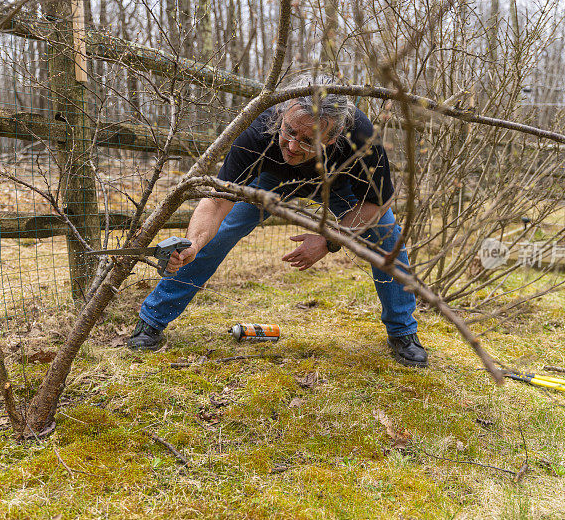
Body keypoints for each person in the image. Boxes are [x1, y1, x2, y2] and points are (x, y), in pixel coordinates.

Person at [128, 75, 428, 368]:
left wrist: (328, 239)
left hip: (339, 183)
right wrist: (194, 242)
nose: (294, 146)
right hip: (270, 180)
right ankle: (152, 320)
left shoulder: (361, 138)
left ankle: (403, 332)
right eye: (289, 132)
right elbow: (216, 201)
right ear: (282, 115)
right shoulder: (258, 129)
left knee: (387, 233)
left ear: (333, 137)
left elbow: (376, 203)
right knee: (217, 235)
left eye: (309, 140)